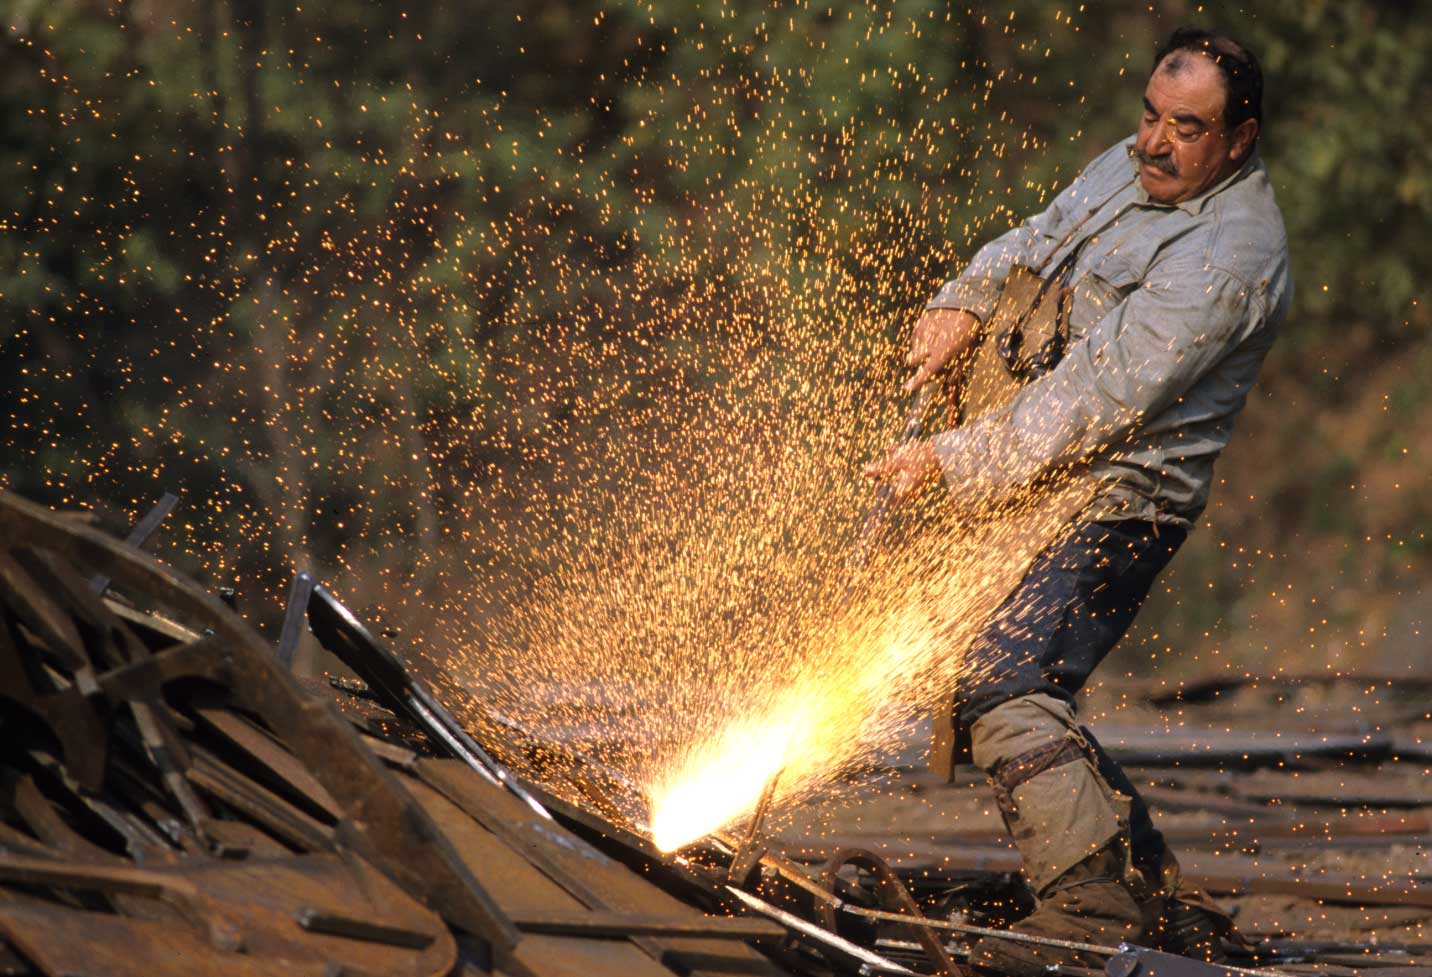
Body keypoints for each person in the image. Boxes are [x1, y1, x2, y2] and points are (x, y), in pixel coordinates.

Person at [864, 26, 1291, 975]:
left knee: (1003, 682)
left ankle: (1092, 912)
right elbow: (1033, 240)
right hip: (1030, 476)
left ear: (1239, 140)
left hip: (1117, 499)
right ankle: (1157, 899)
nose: (1154, 142)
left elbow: (1094, 398)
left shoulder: (1229, 257)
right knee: (1008, 684)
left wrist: (951, 459)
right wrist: (963, 300)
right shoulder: (1126, 166)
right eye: (1150, 114)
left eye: (1187, 129)